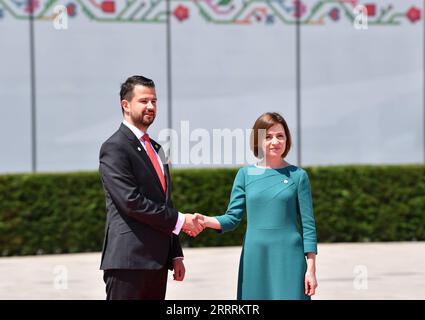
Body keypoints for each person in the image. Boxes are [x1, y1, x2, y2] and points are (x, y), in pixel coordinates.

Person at [98, 75, 203, 300]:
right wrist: (182, 221)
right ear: (125, 105)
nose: (151, 106)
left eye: (154, 101)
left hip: (157, 263)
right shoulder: (114, 147)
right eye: (144, 101)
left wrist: (175, 254)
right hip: (128, 262)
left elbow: (165, 202)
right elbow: (131, 202)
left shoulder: (157, 149)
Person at [195, 112, 318, 300]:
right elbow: (232, 218)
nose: (274, 141)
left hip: (289, 258)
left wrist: (311, 269)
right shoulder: (245, 174)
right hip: (255, 257)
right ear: (258, 140)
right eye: (268, 136)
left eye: (280, 136)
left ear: (287, 139)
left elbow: (308, 226)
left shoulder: (298, 176)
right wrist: (204, 221)